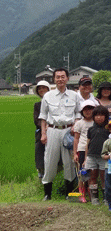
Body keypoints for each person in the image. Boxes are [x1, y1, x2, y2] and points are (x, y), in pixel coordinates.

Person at [39, 67, 83, 201]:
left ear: (67, 78)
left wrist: (75, 125)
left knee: (69, 162)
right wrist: (43, 134)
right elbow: (43, 116)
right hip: (52, 130)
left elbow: (78, 113)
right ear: (54, 79)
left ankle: (69, 193)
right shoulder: (48, 96)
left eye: (63, 77)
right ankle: (47, 194)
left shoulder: (74, 95)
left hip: (68, 131)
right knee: (50, 160)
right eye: (57, 77)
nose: (60, 79)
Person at [85, 106, 110, 205]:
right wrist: (85, 158)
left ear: (106, 116)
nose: (99, 117)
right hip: (91, 156)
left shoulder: (108, 129)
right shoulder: (91, 129)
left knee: (104, 177)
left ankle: (105, 197)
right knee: (92, 176)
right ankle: (94, 197)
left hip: (104, 156)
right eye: (96, 115)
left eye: (101, 115)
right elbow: (87, 144)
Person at [72, 100, 96, 202]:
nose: (87, 111)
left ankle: (92, 194)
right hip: (81, 150)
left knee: (92, 173)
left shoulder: (96, 122)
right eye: (85, 109)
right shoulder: (79, 123)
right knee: (82, 173)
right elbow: (76, 139)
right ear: (82, 111)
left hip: (93, 150)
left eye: (90, 109)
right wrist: (75, 153)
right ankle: (81, 194)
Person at [33, 80, 49, 180]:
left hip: (55, 129)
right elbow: (37, 120)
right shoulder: (37, 105)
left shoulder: (54, 102)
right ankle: (41, 173)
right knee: (39, 151)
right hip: (41, 132)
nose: (41, 90)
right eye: (39, 88)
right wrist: (45, 127)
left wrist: (50, 125)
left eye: (43, 88)